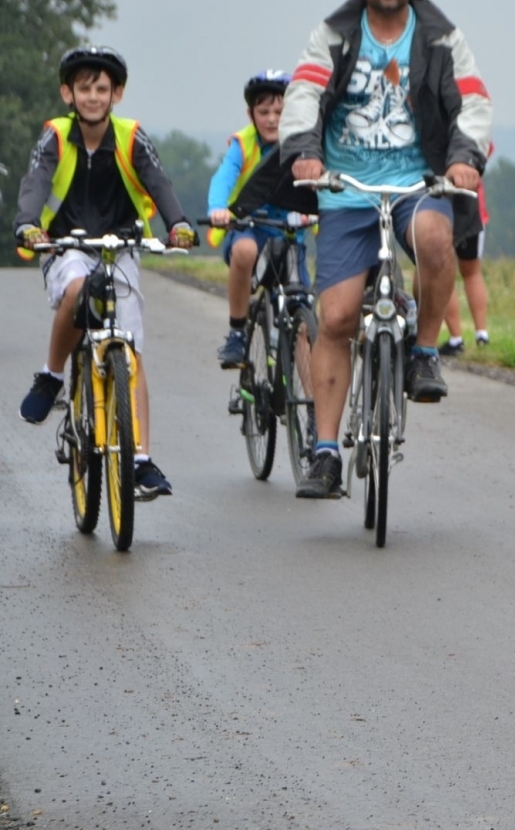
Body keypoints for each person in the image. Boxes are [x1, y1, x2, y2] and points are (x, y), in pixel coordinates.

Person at [281, 0, 492, 499]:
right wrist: (304, 151)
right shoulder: (334, 35)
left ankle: (423, 352)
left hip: (416, 182)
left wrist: (463, 161)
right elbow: (303, 91)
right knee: (339, 317)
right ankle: (325, 451)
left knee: (433, 235)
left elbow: (472, 101)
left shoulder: (440, 37)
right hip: (345, 187)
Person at [13, 46, 198, 498]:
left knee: (129, 351)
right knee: (77, 289)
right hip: (66, 245)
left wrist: (178, 224)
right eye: (83, 88)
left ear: (116, 93)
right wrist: (27, 224)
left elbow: (158, 180)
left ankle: (139, 460)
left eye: (102, 88)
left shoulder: (132, 136)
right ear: (67, 93)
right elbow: (36, 181)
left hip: (119, 247)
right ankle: (53, 374)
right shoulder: (55, 137)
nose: (93, 97)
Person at [208, 70, 317, 369]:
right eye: (264, 111)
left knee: (304, 326)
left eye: (280, 112)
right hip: (249, 228)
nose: (272, 119)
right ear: (250, 113)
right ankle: (237, 332)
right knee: (244, 252)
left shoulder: (305, 146)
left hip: (289, 236)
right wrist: (219, 208)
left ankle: (310, 409)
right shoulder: (241, 145)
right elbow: (223, 178)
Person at [439, 164, 492, 356]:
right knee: (472, 271)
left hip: (441, 204)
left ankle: (456, 338)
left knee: (444, 271)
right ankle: (482, 334)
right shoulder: (473, 137)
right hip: (473, 206)